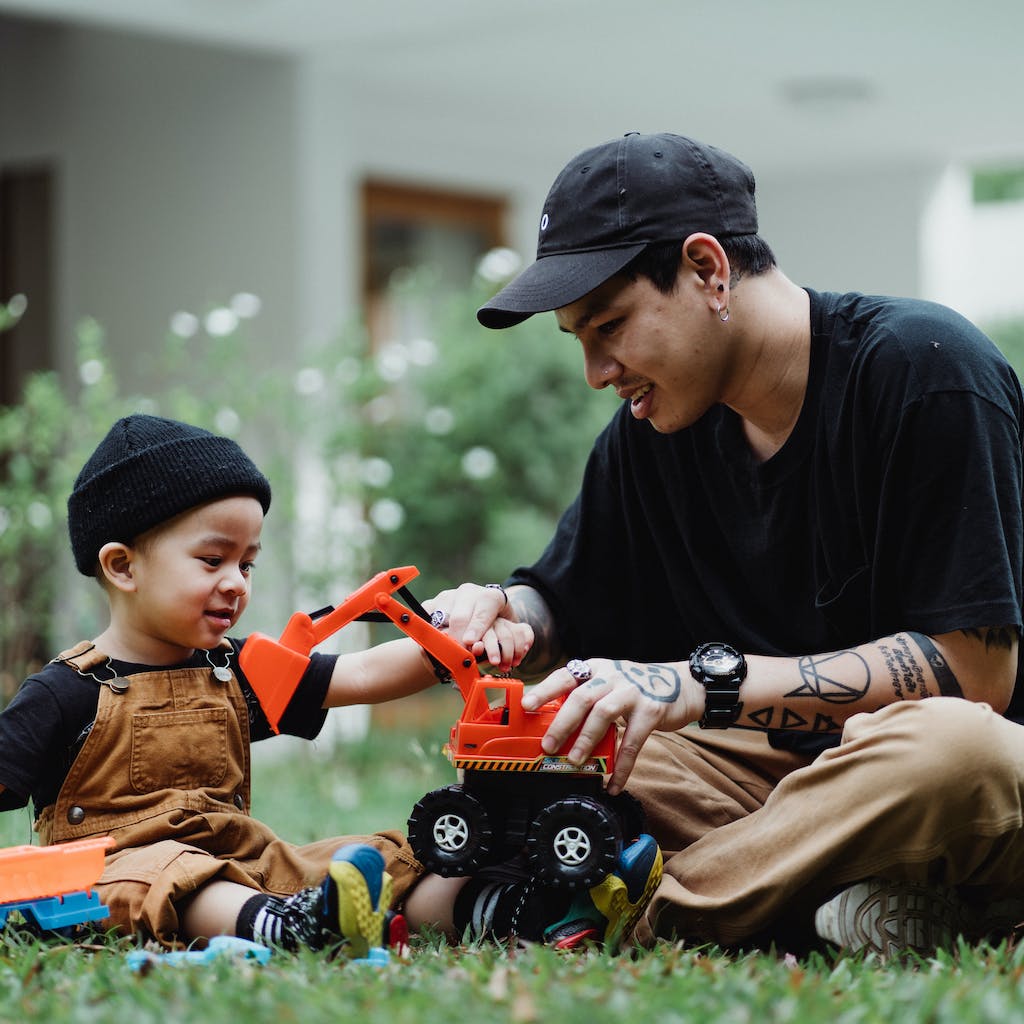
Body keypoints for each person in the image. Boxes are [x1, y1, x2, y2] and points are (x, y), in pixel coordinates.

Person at [433, 131, 1024, 957]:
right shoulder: (651, 432)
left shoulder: (925, 368)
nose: (597, 372)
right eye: (578, 340)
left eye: (610, 326)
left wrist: (696, 686)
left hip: (940, 782)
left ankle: (615, 918)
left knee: (954, 749)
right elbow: (567, 599)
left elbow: (977, 676)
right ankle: (838, 905)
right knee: (545, 768)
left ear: (709, 269)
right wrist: (510, 614)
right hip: (766, 789)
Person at [0, 413, 532, 954]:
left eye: (247, 564)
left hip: (246, 863)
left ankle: (505, 907)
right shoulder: (65, 691)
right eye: (212, 560)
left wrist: (446, 650)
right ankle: (290, 928)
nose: (235, 583)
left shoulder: (237, 669)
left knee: (375, 858)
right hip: (118, 875)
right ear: (122, 567)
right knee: (175, 875)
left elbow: (359, 672)